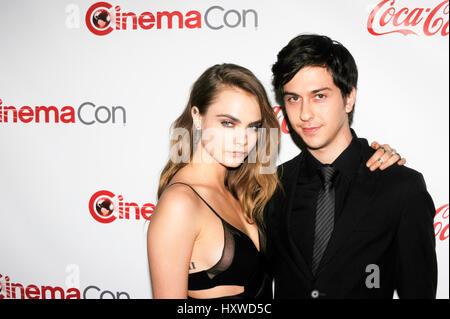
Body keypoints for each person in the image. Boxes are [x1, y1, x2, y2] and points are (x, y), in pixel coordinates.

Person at [146, 63, 404, 299]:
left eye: (253, 127)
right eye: (228, 123)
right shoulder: (180, 203)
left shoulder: (249, 188)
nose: (242, 139)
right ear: (197, 116)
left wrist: (375, 157)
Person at [264, 34, 438, 299]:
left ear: (348, 98)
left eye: (319, 96)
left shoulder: (400, 187)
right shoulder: (273, 186)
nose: (305, 114)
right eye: (293, 99)